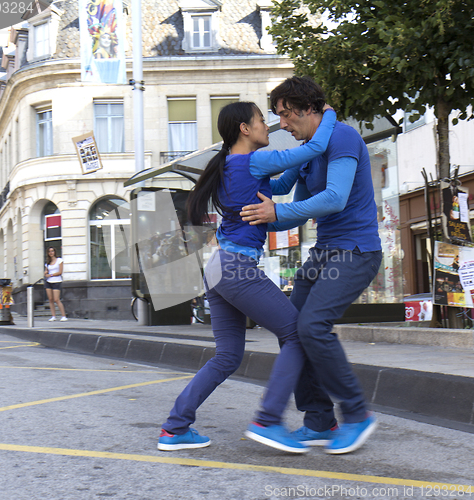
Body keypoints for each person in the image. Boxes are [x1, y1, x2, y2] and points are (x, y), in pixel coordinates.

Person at [157, 101, 337, 453]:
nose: (267, 127)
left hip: (218, 267)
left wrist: (299, 170)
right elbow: (315, 147)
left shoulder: (229, 165)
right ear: (244, 128)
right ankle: (269, 420)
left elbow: (279, 185)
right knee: (297, 333)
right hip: (238, 268)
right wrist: (328, 114)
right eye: (260, 121)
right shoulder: (253, 160)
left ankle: (174, 428)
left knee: (226, 357)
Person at [240, 76, 383, 455]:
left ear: (309, 108)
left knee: (313, 325)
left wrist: (278, 209)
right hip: (324, 253)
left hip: (356, 250)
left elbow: (335, 199)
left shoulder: (344, 138)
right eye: (278, 117)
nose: (282, 125)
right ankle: (319, 421)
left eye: (286, 115)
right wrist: (259, 214)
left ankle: (357, 415)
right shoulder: (310, 150)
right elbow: (292, 212)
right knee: (293, 329)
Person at [44, 247, 67, 322]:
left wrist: (50, 275)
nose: (51, 253)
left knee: (56, 299)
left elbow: (60, 272)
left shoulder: (59, 260)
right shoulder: (47, 263)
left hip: (57, 281)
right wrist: (46, 273)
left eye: (52, 251)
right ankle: (53, 316)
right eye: (49, 251)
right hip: (49, 282)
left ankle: (63, 316)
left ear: (55, 252)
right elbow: (46, 272)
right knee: (50, 299)